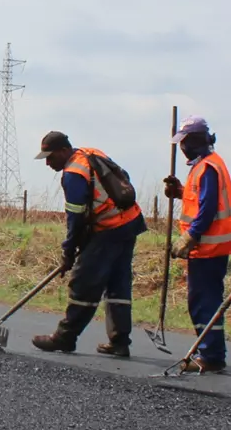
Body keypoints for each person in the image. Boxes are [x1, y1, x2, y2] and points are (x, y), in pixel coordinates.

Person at [32, 132, 149, 355]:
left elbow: (75, 218)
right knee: (118, 284)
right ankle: (120, 342)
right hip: (130, 224)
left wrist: (69, 251)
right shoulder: (91, 153)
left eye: (51, 157)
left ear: (64, 151)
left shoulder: (73, 173)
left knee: (84, 283)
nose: (48, 162)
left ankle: (65, 337)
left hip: (110, 229)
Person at [161, 116, 231, 373]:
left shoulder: (209, 167)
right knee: (203, 300)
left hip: (208, 247)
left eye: (184, 142)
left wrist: (191, 236)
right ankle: (209, 351)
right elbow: (199, 199)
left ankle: (211, 355)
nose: (182, 147)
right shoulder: (204, 166)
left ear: (194, 142)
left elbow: (207, 209)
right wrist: (180, 191)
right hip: (207, 247)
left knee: (204, 301)